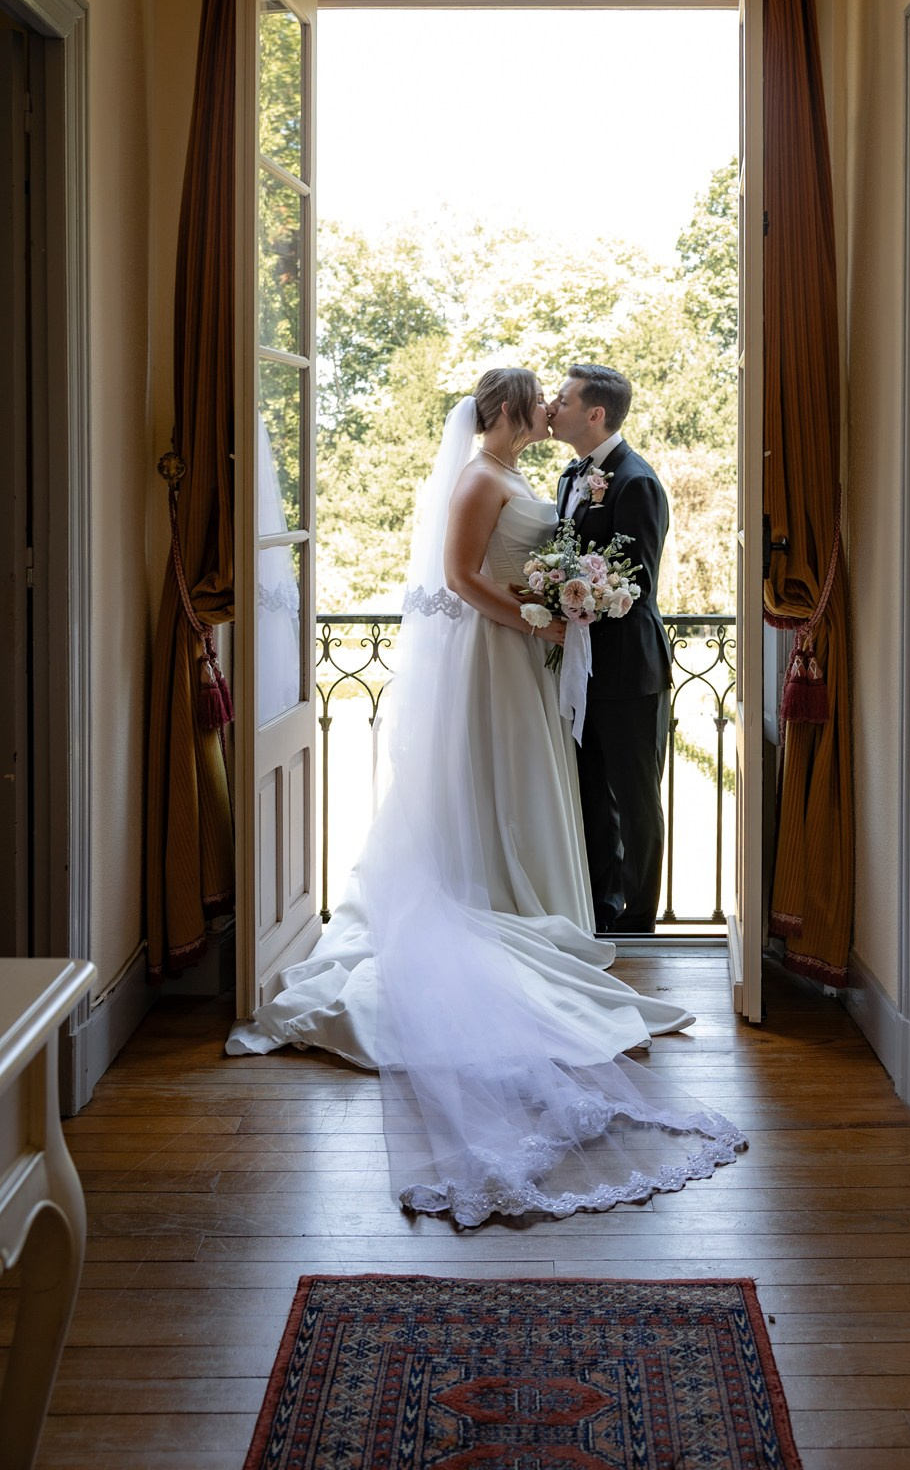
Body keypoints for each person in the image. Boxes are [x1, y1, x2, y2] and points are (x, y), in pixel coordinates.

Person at [227, 368, 743, 1225]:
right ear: (505, 409)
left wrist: (561, 604)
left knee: (541, 789)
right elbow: (462, 576)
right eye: (539, 398)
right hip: (496, 657)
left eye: (559, 398)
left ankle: (535, 898)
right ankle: (495, 896)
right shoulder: (475, 474)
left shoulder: (533, 475)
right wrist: (533, 619)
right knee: (496, 784)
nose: (549, 409)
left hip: (528, 663)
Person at [548, 365, 672, 932]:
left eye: (564, 398)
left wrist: (571, 592)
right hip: (581, 668)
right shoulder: (570, 476)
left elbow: (636, 582)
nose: (554, 405)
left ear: (594, 414)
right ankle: (597, 909)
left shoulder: (635, 481)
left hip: (628, 669)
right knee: (590, 793)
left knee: (636, 800)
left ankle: (639, 920)